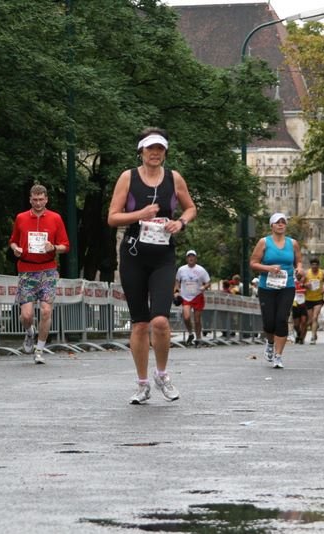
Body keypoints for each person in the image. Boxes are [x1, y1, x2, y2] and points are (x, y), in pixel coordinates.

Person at [108, 127, 197, 404]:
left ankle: (162, 374)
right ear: (141, 151)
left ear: (165, 152)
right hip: (134, 255)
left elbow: (191, 207)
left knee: (159, 321)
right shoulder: (128, 177)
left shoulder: (174, 178)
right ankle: (142, 383)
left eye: (160, 149)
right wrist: (140, 214)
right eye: (150, 149)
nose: (155, 154)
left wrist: (180, 222)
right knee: (140, 325)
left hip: (163, 256)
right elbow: (112, 218)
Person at [9, 184, 70, 364]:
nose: (37, 203)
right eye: (34, 199)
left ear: (46, 199)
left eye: (41, 199)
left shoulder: (55, 218)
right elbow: (12, 241)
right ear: (30, 200)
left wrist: (54, 247)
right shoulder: (21, 218)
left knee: (45, 311)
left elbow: (66, 246)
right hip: (27, 270)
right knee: (27, 315)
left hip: (48, 270)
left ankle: (39, 350)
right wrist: (16, 249)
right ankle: (29, 333)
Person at [250, 212, 303, 368]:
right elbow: (253, 263)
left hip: (287, 286)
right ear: (271, 225)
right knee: (269, 322)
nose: (281, 224)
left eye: (283, 222)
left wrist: (299, 269)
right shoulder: (264, 242)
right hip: (267, 286)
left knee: (281, 319)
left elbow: (298, 261)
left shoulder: (292, 243)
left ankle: (278, 356)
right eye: (277, 222)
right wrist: (268, 268)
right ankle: (270, 342)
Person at [175, 249, 210, 345]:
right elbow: (177, 281)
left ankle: (198, 338)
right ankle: (190, 333)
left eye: (193, 256)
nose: (191, 258)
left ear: (195, 258)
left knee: (197, 319)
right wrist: (176, 291)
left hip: (197, 296)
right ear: (186, 258)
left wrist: (204, 286)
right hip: (186, 297)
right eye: (189, 256)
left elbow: (208, 282)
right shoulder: (181, 269)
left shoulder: (201, 270)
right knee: (186, 317)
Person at [303, 257, 324, 345]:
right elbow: (301, 284)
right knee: (310, 320)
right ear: (310, 265)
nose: (314, 266)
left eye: (316, 265)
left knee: (315, 317)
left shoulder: (322, 273)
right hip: (308, 299)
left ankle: (313, 337)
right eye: (312, 265)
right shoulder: (306, 273)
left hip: (318, 299)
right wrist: (306, 285)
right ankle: (315, 333)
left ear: (318, 265)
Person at [291, 272, 308, 344]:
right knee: (296, 325)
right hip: (295, 304)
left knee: (304, 322)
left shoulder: (306, 283)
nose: (298, 275)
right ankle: (299, 333)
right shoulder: (292, 283)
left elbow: (310, 289)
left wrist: (305, 284)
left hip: (304, 304)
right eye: (297, 274)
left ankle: (301, 338)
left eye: (300, 274)